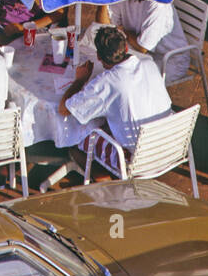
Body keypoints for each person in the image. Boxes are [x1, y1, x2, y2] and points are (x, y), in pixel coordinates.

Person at [59, 26, 173, 171]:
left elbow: (64, 109)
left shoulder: (107, 82)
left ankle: (101, 178)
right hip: (170, 144)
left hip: (140, 160)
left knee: (78, 136)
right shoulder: (149, 64)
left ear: (99, 57)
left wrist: (80, 80)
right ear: (126, 48)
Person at [108, 0, 187, 61]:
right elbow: (108, 27)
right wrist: (103, 1)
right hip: (137, 53)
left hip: (168, 60)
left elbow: (142, 48)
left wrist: (122, 32)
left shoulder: (157, 4)